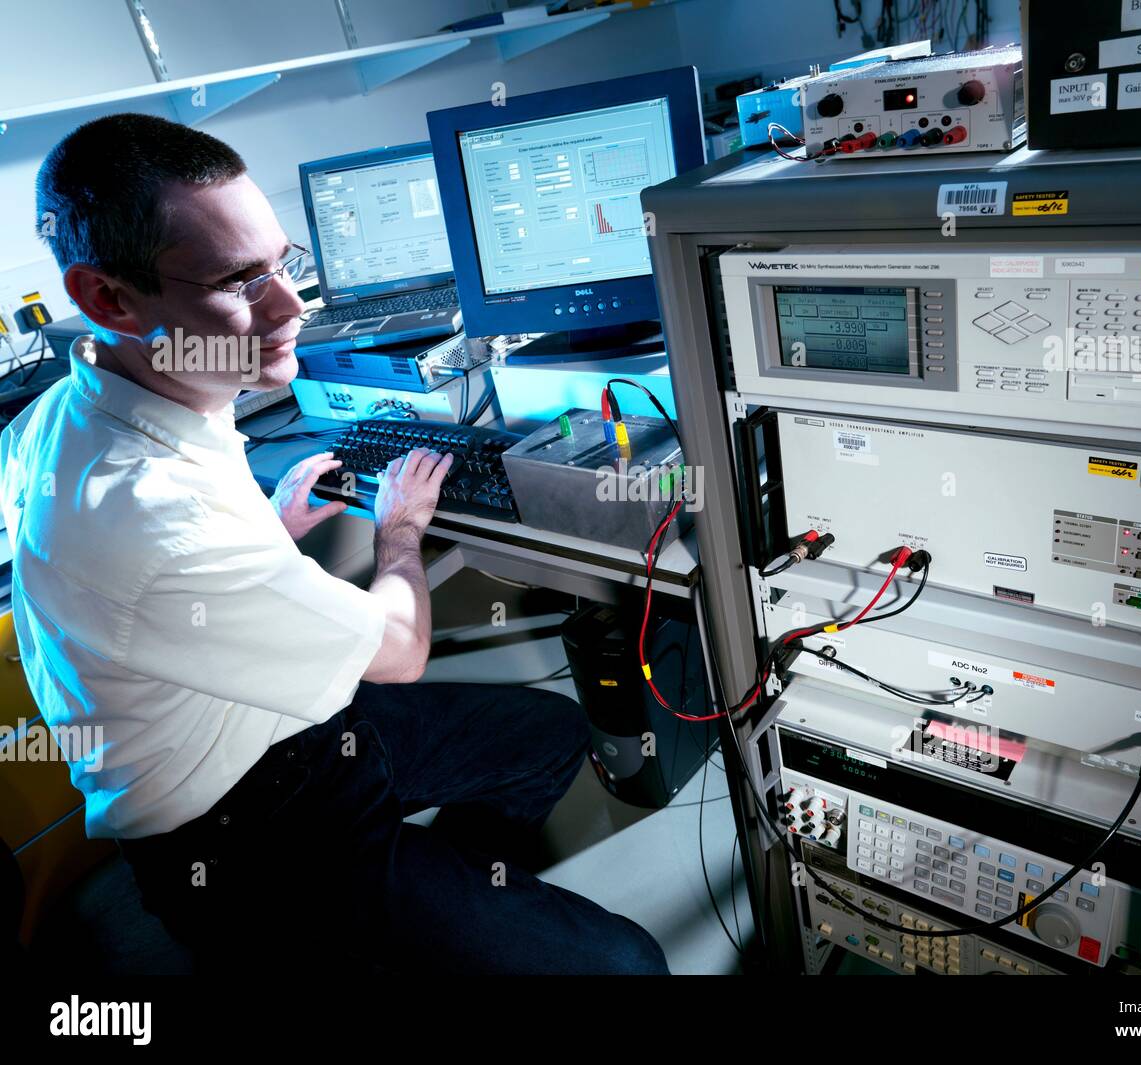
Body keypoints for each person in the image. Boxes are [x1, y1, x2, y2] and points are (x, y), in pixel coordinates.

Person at [0, 113, 669, 975]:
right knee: (631, 965)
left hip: (286, 728)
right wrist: (396, 535)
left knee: (546, 734)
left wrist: (266, 531)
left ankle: (441, 916)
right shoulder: (152, 513)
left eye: (285, 264)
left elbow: (161, 584)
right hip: (242, 838)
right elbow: (400, 650)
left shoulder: (81, 401)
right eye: (240, 282)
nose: (293, 309)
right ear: (108, 298)